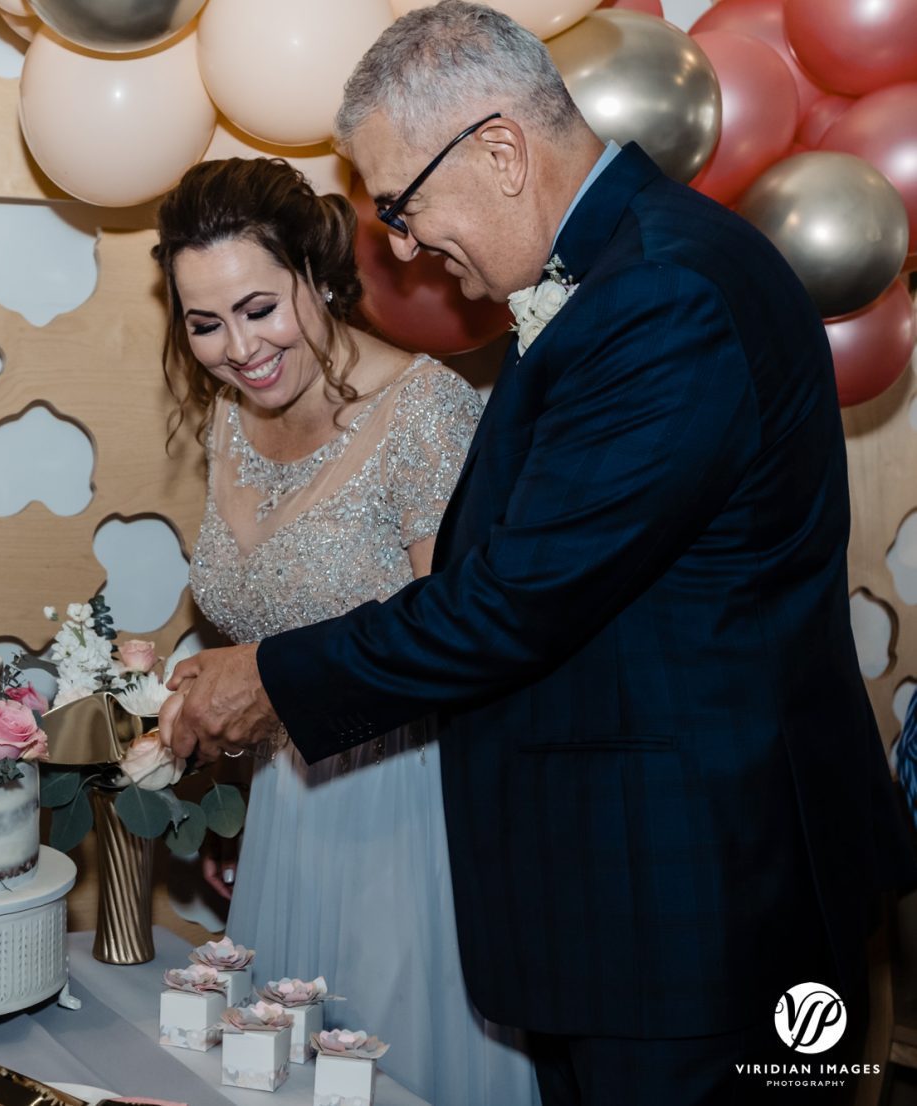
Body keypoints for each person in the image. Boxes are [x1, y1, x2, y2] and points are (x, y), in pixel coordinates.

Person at [158, 3, 917, 1103]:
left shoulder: (662, 295)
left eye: (406, 206)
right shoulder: (613, 272)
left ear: (502, 150)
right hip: (628, 892)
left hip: (698, 901)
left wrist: (270, 675)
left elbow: (511, 601)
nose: (406, 246)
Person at [153, 156, 538, 1105]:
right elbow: (254, 629)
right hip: (289, 811)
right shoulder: (228, 421)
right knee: (278, 1070)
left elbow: (459, 645)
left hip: (410, 816)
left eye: (259, 307)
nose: (238, 348)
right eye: (204, 323)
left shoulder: (428, 412)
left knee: (390, 1071)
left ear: (318, 276)